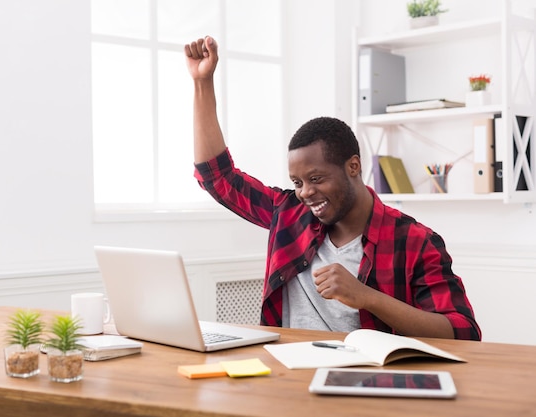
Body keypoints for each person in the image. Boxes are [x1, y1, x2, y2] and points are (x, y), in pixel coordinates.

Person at [184, 36, 481, 341]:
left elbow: (463, 333)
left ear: (353, 167)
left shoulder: (416, 241)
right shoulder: (288, 213)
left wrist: (367, 297)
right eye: (297, 183)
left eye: (316, 179)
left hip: (367, 379)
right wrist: (202, 82)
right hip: (287, 371)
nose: (305, 193)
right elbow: (217, 177)